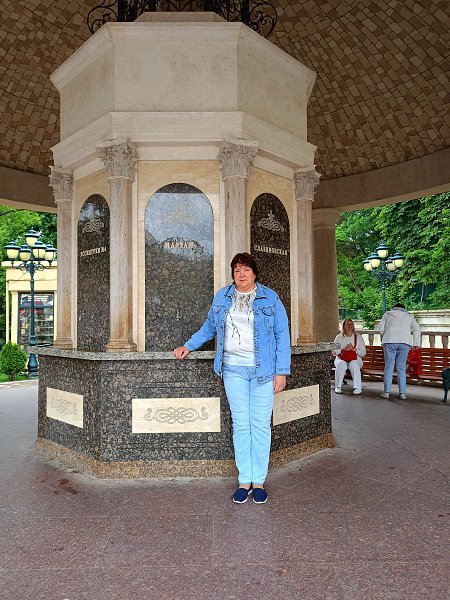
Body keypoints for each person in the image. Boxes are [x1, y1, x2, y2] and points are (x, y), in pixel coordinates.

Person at [173, 252, 291, 505]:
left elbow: (282, 335)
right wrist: (188, 345)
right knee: (241, 425)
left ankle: (258, 481)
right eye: (237, 270)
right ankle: (244, 480)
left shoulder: (270, 298)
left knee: (260, 425)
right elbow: (209, 327)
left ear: (255, 273)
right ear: (233, 274)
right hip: (233, 370)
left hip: (263, 371)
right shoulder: (223, 297)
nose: (241, 274)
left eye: (246, 269)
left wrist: (281, 372)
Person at [376, 303, 421, 400]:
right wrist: (416, 343)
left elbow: (380, 328)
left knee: (389, 367)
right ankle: (402, 394)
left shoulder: (387, 314)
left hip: (389, 340)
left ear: (393, 308)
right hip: (405, 342)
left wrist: (386, 334)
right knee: (401, 368)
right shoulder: (408, 316)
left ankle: (386, 393)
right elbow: (417, 329)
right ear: (403, 309)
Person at [333, 319, 366, 395]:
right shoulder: (339, 337)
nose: (350, 326)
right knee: (341, 364)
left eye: (351, 324)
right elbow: (334, 352)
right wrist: (344, 349)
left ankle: (358, 388)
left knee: (354, 364)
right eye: (347, 324)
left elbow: (363, 353)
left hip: (355, 358)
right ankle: (338, 387)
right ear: (343, 326)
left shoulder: (358, 337)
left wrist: (354, 350)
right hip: (341, 358)